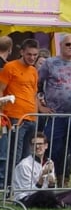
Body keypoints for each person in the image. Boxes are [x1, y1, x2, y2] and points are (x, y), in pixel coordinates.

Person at [37, 33, 71, 188]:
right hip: (56, 115)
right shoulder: (50, 63)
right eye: (68, 44)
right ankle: (46, 184)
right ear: (61, 45)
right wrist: (41, 107)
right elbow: (36, 84)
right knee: (52, 151)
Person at [0, 38, 43, 172]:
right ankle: (10, 186)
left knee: (27, 156)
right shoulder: (10, 67)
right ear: (22, 52)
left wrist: (36, 116)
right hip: (14, 117)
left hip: (31, 117)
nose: (32, 57)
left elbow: (34, 94)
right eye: (29, 54)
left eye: (35, 55)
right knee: (15, 155)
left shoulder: (34, 71)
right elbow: (1, 89)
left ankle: (20, 187)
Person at [10, 133, 71, 208]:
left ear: (46, 146)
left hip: (47, 196)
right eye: (34, 144)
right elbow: (27, 192)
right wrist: (41, 179)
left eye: (40, 144)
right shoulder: (24, 165)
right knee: (44, 194)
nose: (37, 147)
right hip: (25, 198)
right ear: (31, 147)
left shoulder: (49, 162)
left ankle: (60, 204)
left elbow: (52, 191)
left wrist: (52, 184)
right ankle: (64, 204)